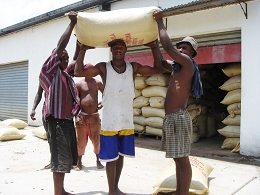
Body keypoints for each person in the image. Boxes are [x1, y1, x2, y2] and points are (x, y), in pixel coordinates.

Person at [74, 39, 162, 195]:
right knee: (111, 157)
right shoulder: (104, 67)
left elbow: (158, 70)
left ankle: (116, 188)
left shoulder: (133, 67)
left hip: (126, 120)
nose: (118, 49)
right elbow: (78, 72)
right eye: (115, 47)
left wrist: (154, 47)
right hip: (109, 121)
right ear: (111, 50)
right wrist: (83, 49)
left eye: (121, 47)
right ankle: (111, 191)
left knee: (121, 155)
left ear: (126, 49)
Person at [153, 10, 203, 195]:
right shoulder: (176, 68)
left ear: (192, 53)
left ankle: (183, 192)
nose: (181, 50)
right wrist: (152, 45)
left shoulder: (188, 64)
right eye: (180, 47)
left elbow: (168, 49)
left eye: (185, 48)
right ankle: (179, 191)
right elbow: (160, 61)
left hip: (179, 118)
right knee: (177, 158)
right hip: (172, 119)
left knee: (183, 159)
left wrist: (159, 22)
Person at [39, 11, 80, 195]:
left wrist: (81, 44)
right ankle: (58, 193)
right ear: (55, 59)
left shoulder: (66, 75)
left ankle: (61, 190)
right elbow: (60, 47)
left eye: (65, 58)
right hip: (55, 121)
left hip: (66, 122)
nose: (64, 59)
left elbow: (74, 59)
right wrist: (72, 24)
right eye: (61, 57)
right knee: (58, 158)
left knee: (65, 157)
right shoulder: (50, 72)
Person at [74, 70, 104, 171]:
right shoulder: (79, 84)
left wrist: (103, 102)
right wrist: (76, 115)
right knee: (80, 140)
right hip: (82, 116)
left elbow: (106, 93)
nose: (90, 72)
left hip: (94, 116)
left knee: (96, 139)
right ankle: (79, 162)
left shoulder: (98, 83)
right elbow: (75, 100)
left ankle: (98, 160)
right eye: (88, 70)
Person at [30, 84, 51, 169]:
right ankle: (54, 160)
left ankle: (66, 160)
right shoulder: (45, 77)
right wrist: (33, 109)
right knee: (50, 136)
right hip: (47, 109)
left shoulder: (63, 74)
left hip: (61, 109)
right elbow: (39, 93)